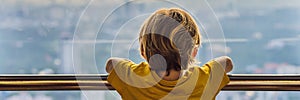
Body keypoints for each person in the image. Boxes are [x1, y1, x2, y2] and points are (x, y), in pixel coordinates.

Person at [106, 8, 233, 100]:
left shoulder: (132, 78)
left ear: (143, 52)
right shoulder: (204, 80)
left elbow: (111, 65)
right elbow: (227, 63)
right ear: (194, 52)